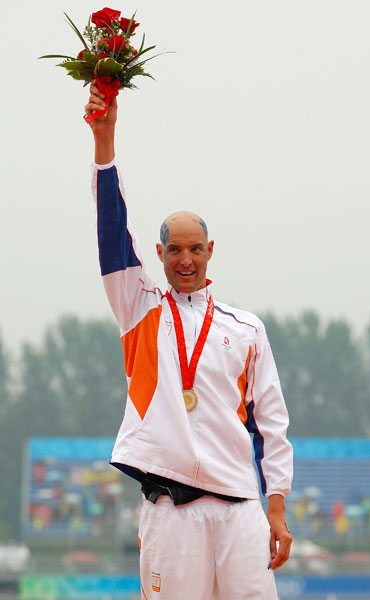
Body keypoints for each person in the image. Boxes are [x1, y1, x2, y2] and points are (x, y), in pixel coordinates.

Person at [85, 84, 293, 600]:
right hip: (170, 510)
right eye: (174, 249)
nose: (185, 260)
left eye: (195, 249)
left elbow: (270, 423)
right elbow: (112, 233)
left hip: (241, 509)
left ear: (210, 251)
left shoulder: (246, 329)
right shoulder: (141, 308)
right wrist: (105, 140)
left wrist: (277, 507)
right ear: (159, 252)